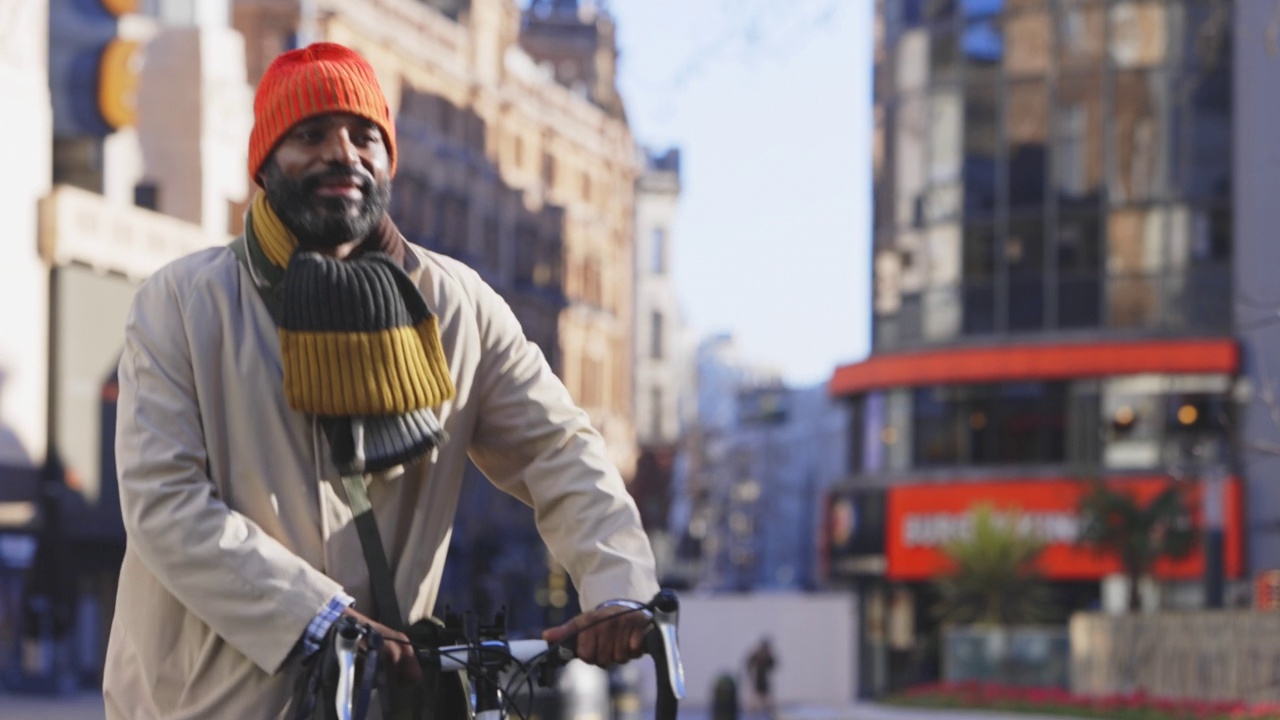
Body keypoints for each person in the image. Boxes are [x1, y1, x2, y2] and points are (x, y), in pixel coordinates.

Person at [102, 42, 659, 720]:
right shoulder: (183, 303)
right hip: (207, 705)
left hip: (381, 700)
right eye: (310, 134)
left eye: (365, 135)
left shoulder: (458, 306)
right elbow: (165, 505)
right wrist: (319, 617)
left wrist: (618, 587)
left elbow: (558, 449)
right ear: (265, 163)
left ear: (389, 158)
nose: (344, 153)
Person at [745, 637, 777, 718]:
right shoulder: (757, 654)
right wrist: (750, 674)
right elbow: (749, 663)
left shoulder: (768, 656)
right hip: (757, 680)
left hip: (765, 680)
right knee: (757, 700)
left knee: (766, 700)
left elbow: (773, 664)